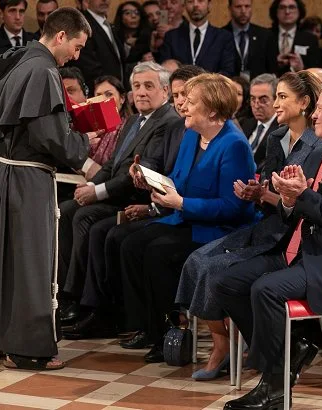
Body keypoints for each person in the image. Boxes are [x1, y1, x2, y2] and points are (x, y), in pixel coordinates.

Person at [210, 79, 322, 409]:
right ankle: (291, 352)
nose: (315, 115)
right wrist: (288, 199)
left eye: (320, 107)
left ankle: (274, 386)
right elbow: (300, 211)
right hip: (302, 253)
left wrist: (302, 195)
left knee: (265, 290)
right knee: (225, 282)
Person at [177, 70, 322, 380]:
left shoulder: (320, 145)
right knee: (197, 260)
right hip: (267, 227)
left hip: (293, 238)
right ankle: (256, 346)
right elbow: (268, 188)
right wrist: (255, 193)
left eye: (282, 97)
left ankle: (270, 348)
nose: (275, 104)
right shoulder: (276, 137)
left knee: (217, 270)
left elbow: (303, 205)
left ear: (304, 103)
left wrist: (269, 197)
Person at [0, 7, 94, 371]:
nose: (77, 55)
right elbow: (49, 137)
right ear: (60, 36)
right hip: (26, 179)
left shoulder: (21, 60)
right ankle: (27, 349)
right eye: (77, 45)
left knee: (12, 260)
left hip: (9, 172)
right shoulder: (42, 71)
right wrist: (83, 141)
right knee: (31, 262)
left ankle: (8, 339)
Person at [120, 73, 257, 364]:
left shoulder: (234, 145)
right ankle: (150, 327)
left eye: (191, 102)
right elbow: (178, 181)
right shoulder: (192, 134)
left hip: (220, 230)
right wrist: (151, 181)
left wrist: (181, 202)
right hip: (188, 221)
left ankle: (172, 331)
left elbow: (232, 207)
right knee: (131, 243)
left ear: (211, 110)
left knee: (159, 252)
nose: (183, 106)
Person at [57, 62, 180, 325]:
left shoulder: (167, 121)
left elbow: (139, 173)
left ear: (165, 91)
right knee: (66, 210)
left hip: (138, 199)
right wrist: (91, 187)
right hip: (116, 194)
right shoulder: (134, 120)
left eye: (149, 86)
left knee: (86, 217)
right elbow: (113, 164)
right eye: (137, 86)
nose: (142, 92)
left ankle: (89, 303)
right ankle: (70, 295)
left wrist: (97, 192)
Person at [157, 0, 236, 76]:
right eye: (190, 1)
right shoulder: (172, 37)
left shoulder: (223, 37)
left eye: (200, 1)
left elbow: (228, 71)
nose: (195, 5)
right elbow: (165, 70)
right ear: (185, 6)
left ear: (209, 5)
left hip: (211, 88)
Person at [0, 0, 36, 98]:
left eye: (21, 11)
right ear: (1, 13)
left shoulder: (35, 40)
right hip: (1, 103)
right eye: (12, 11)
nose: (18, 17)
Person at [71, 0, 126, 94]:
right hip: (100, 93)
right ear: (86, 1)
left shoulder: (108, 24)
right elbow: (90, 68)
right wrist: (111, 90)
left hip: (115, 92)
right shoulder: (83, 25)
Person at [222, 0, 277, 80]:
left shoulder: (265, 35)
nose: (243, 11)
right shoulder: (221, 35)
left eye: (247, 6)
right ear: (230, 8)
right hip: (229, 87)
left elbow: (272, 70)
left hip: (258, 88)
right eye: (238, 7)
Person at [269, 0, 322, 76]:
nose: (287, 12)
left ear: (299, 11)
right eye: (282, 7)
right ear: (275, 11)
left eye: (292, 7)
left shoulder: (310, 39)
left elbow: (317, 71)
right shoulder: (266, 35)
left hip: (299, 84)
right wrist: (274, 63)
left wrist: (302, 69)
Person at [240, 74, 279, 173]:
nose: (256, 105)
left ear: (276, 100)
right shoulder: (244, 124)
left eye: (263, 100)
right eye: (253, 99)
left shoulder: (281, 131)